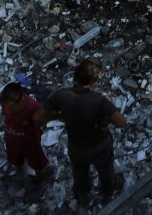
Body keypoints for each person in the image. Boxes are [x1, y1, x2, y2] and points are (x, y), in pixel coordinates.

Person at [46, 57, 127, 209]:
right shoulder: (99, 100)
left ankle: (82, 196)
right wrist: (107, 119)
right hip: (99, 145)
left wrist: (60, 116)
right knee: (106, 169)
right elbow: (122, 122)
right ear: (94, 80)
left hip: (77, 146)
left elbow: (39, 116)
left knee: (79, 172)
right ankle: (107, 194)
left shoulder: (61, 95)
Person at [0, 81, 51, 189]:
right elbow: (4, 113)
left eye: (9, 107)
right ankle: (20, 173)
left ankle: (40, 180)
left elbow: (43, 119)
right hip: (12, 138)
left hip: (30, 141)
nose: (6, 109)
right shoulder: (4, 100)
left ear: (18, 102)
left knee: (37, 163)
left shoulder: (33, 107)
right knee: (15, 159)